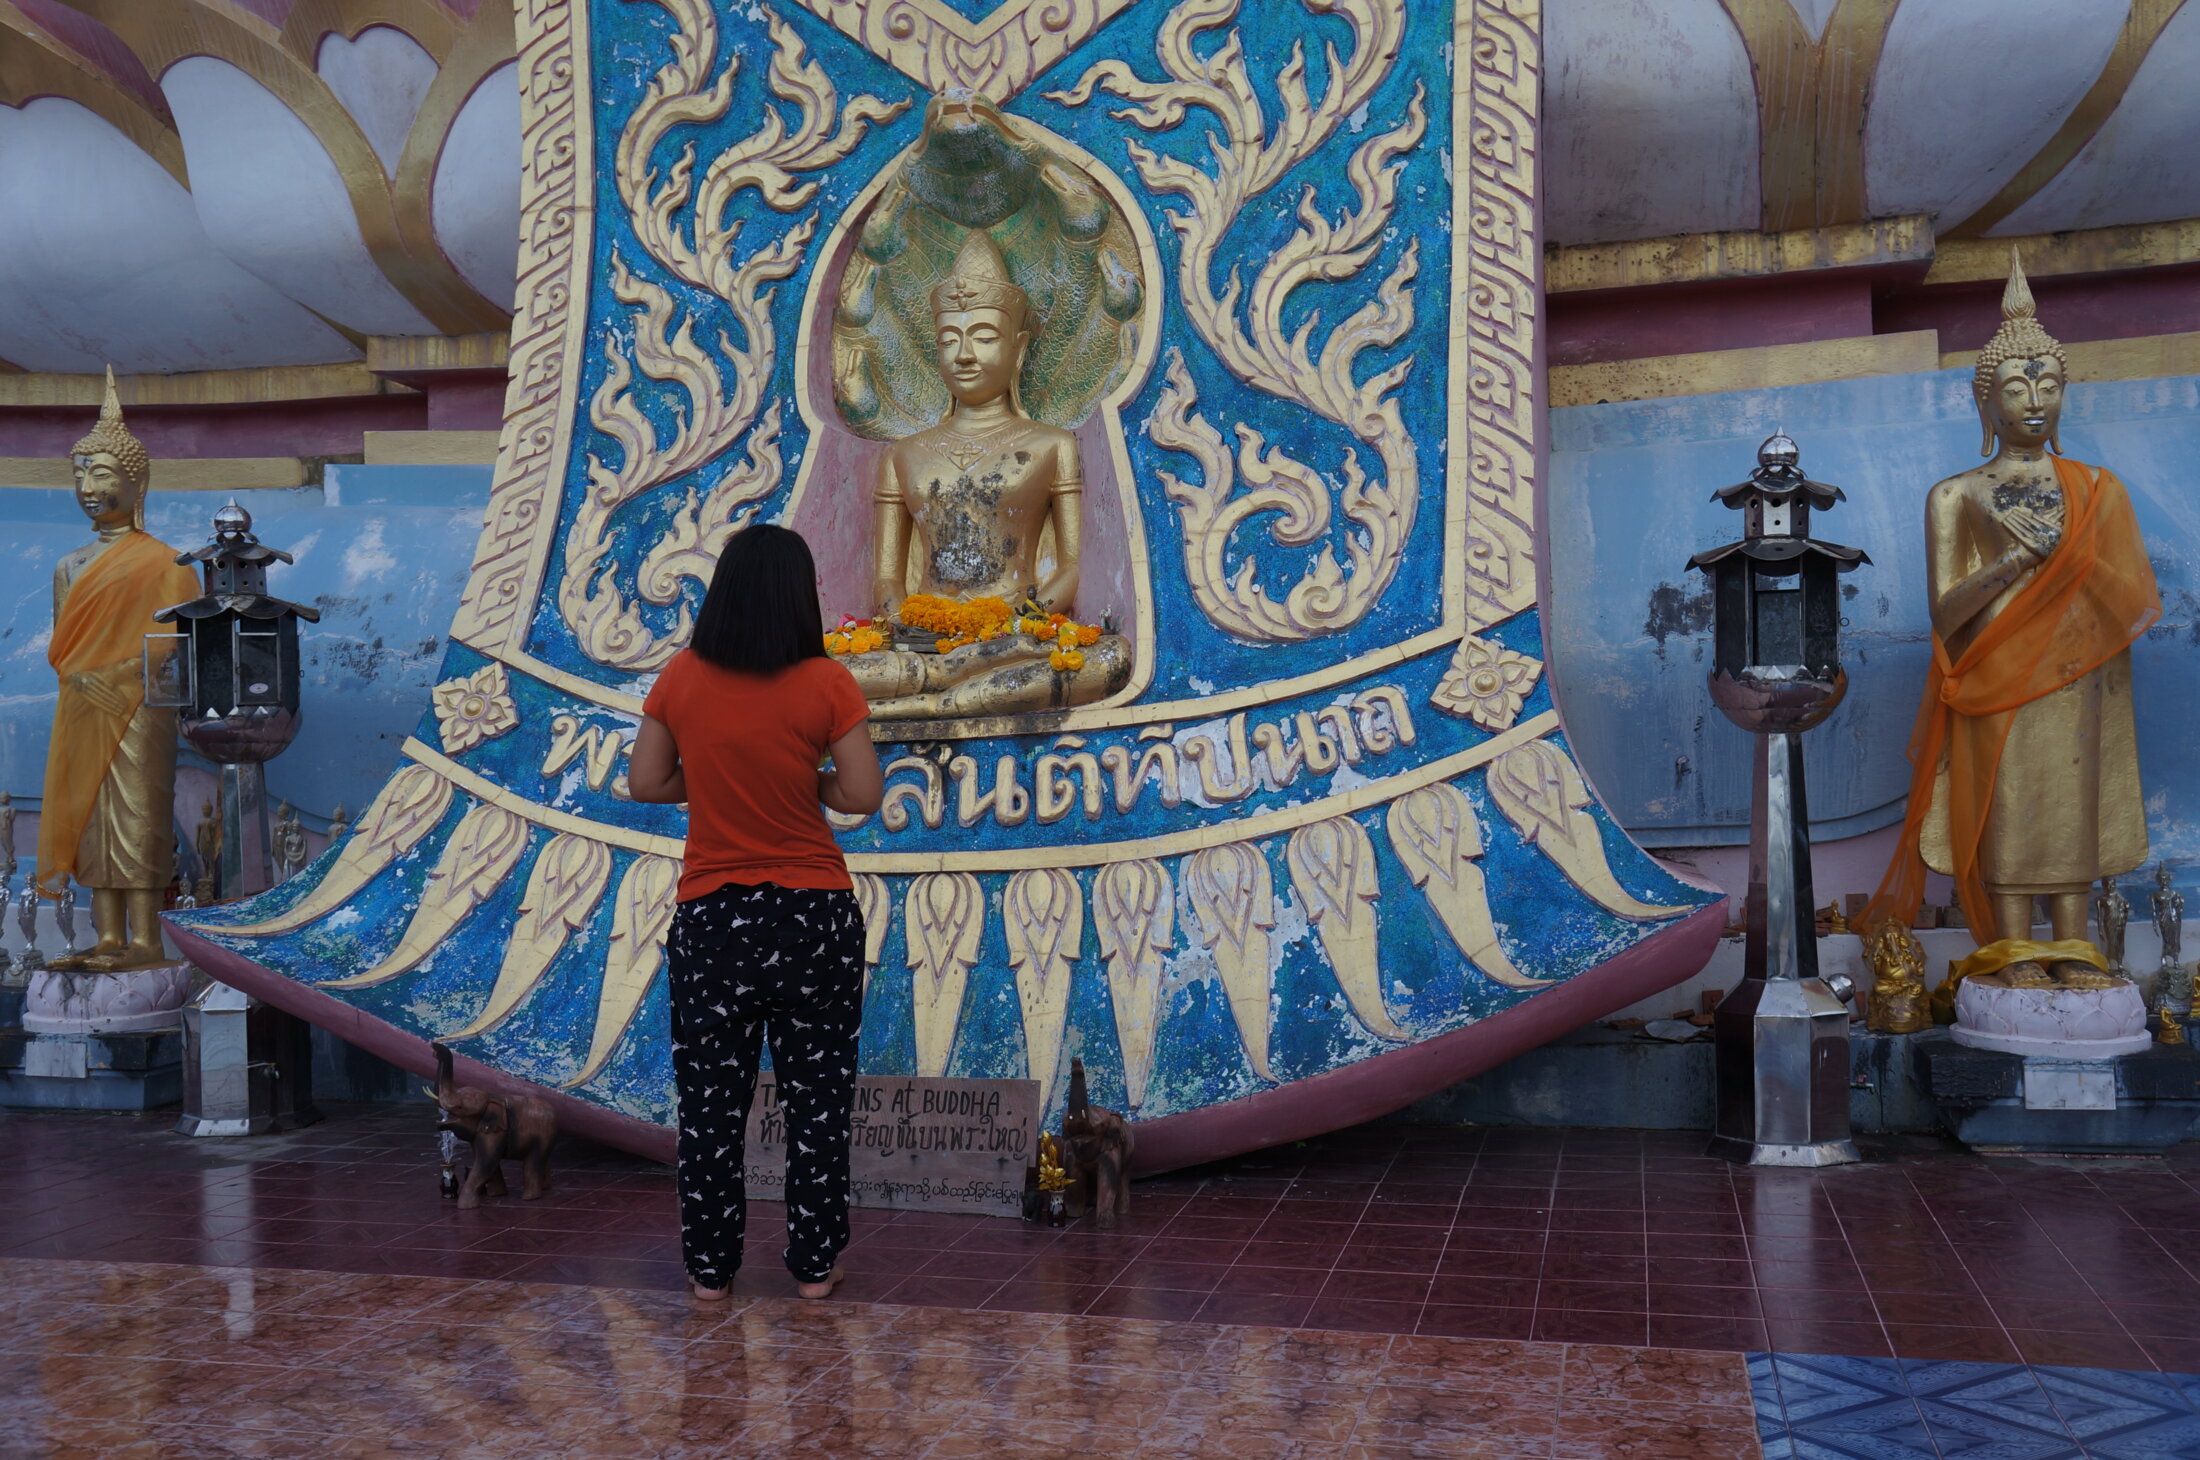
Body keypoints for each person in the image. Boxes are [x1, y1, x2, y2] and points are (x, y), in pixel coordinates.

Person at [627, 524, 885, 1302]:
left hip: (714, 919)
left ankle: (711, 1272)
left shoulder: (681, 677)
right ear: (799, 598)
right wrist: (803, 781)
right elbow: (862, 794)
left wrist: (713, 779)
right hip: (814, 917)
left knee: (710, 1106)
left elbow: (646, 782)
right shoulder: (828, 682)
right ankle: (814, 1268)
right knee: (818, 1101)